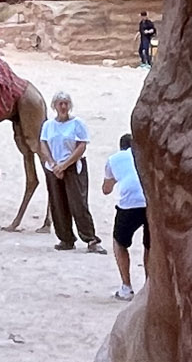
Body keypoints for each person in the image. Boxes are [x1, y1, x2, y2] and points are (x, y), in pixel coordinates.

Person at [39, 91, 102, 252]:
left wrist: (65, 165)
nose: (63, 106)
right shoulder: (48, 126)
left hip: (73, 167)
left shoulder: (77, 123)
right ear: (55, 106)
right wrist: (53, 164)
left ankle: (90, 239)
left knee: (78, 203)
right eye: (60, 103)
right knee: (58, 203)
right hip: (54, 168)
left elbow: (81, 146)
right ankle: (65, 238)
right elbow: (44, 144)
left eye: (66, 103)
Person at [102, 132, 149, 299]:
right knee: (149, 245)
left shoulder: (115, 159)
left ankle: (126, 287)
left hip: (129, 204)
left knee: (119, 242)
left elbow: (106, 189)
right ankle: (149, 286)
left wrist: (116, 178)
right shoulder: (145, 155)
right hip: (150, 201)